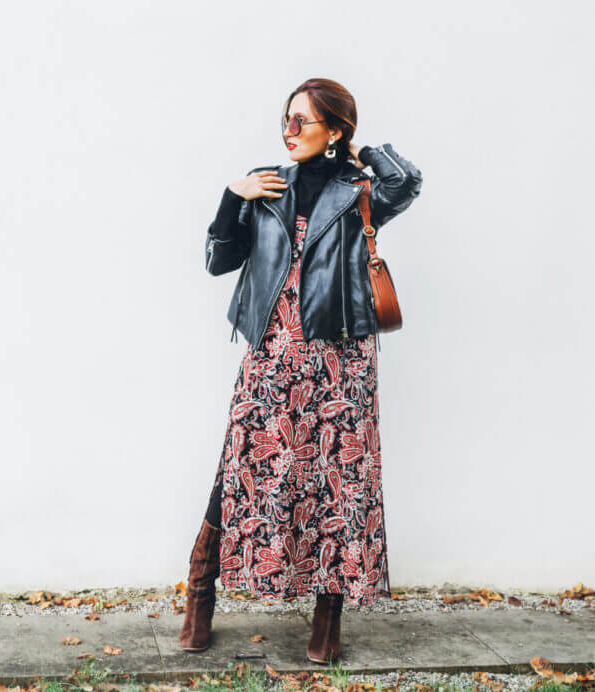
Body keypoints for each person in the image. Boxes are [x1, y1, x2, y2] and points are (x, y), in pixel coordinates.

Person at [180, 78, 423, 664]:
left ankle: (328, 618)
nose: (288, 131)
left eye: (303, 122)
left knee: (339, 483)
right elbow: (219, 260)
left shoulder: (358, 189)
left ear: (334, 130)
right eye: (285, 119)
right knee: (239, 468)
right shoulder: (264, 185)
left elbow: (407, 180)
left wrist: (360, 152)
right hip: (271, 352)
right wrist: (231, 196)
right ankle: (199, 596)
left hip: (340, 359)